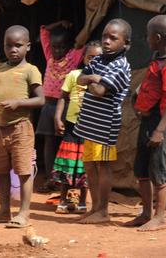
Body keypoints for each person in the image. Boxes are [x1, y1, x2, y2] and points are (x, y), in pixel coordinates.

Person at [0, 25, 45, 228]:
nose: (13, 50)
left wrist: (18, 103)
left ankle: (23, 213)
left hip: (20, 128)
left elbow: (41, 100)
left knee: (23, 172)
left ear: (28, 47)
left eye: (18, 45)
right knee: (1, 170)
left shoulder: (30, 70)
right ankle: (4, 210)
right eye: (8, 45)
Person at [73, 19, 132, 224]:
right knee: (89, 165)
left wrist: (92, 79)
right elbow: (79, 79)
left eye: (113, 38)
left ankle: (104, 210)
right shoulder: (99, 61)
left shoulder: (121, 66)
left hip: (105, 126)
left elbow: (98, 91)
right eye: (105, 37)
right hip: (89, 123)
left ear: (125, 44)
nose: (107, 41)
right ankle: (95, 207)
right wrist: (94, 78)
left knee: (103, 166)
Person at [126, 14, 166, 232]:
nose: (146, 39)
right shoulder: (158, 58)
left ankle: (160, 217)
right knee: (142, 167)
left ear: (157, 37)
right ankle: (146, 213)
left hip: (159, 122)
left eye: (148, 35)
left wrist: (160, 130)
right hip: (148, 119)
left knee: (157, 168)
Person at [52, 41, 103, 214]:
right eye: (90, 57)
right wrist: (57, 117)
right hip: (72, 126)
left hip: (90, 128)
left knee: (85, 165)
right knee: (68, 163)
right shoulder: (74, 75)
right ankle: (63, 200)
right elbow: (63, 97)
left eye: (98, 57)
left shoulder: (103, 79)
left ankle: (82, 202)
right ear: (84, 58)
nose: (93, 61)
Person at [36, 20, 85, 193]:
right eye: (55, 46)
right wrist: (59, 23)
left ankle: (65, 180)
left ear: (69, 47)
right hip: (49, 106)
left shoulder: (73, 57)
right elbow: (43, 30)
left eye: (62, 47)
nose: (57, 50)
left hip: (66, 106)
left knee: (65, 143)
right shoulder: (49, 56)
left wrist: (73, 28)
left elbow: (84, 41)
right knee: (49, 142)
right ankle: (50, 177)